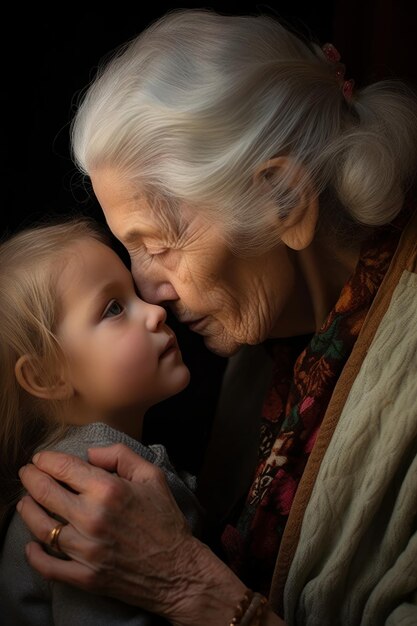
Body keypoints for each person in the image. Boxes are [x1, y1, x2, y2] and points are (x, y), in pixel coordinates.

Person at [15, 8, 417, 626]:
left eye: (159, 244)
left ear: (281, 198)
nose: (148, 287)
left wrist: (186, 586)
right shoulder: (267, 347)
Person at [0, 216, 202, 625]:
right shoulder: (82, 495)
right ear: (46, 376)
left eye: (133, 294)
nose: (154, 312)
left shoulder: (93, 466)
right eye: (114, 308)